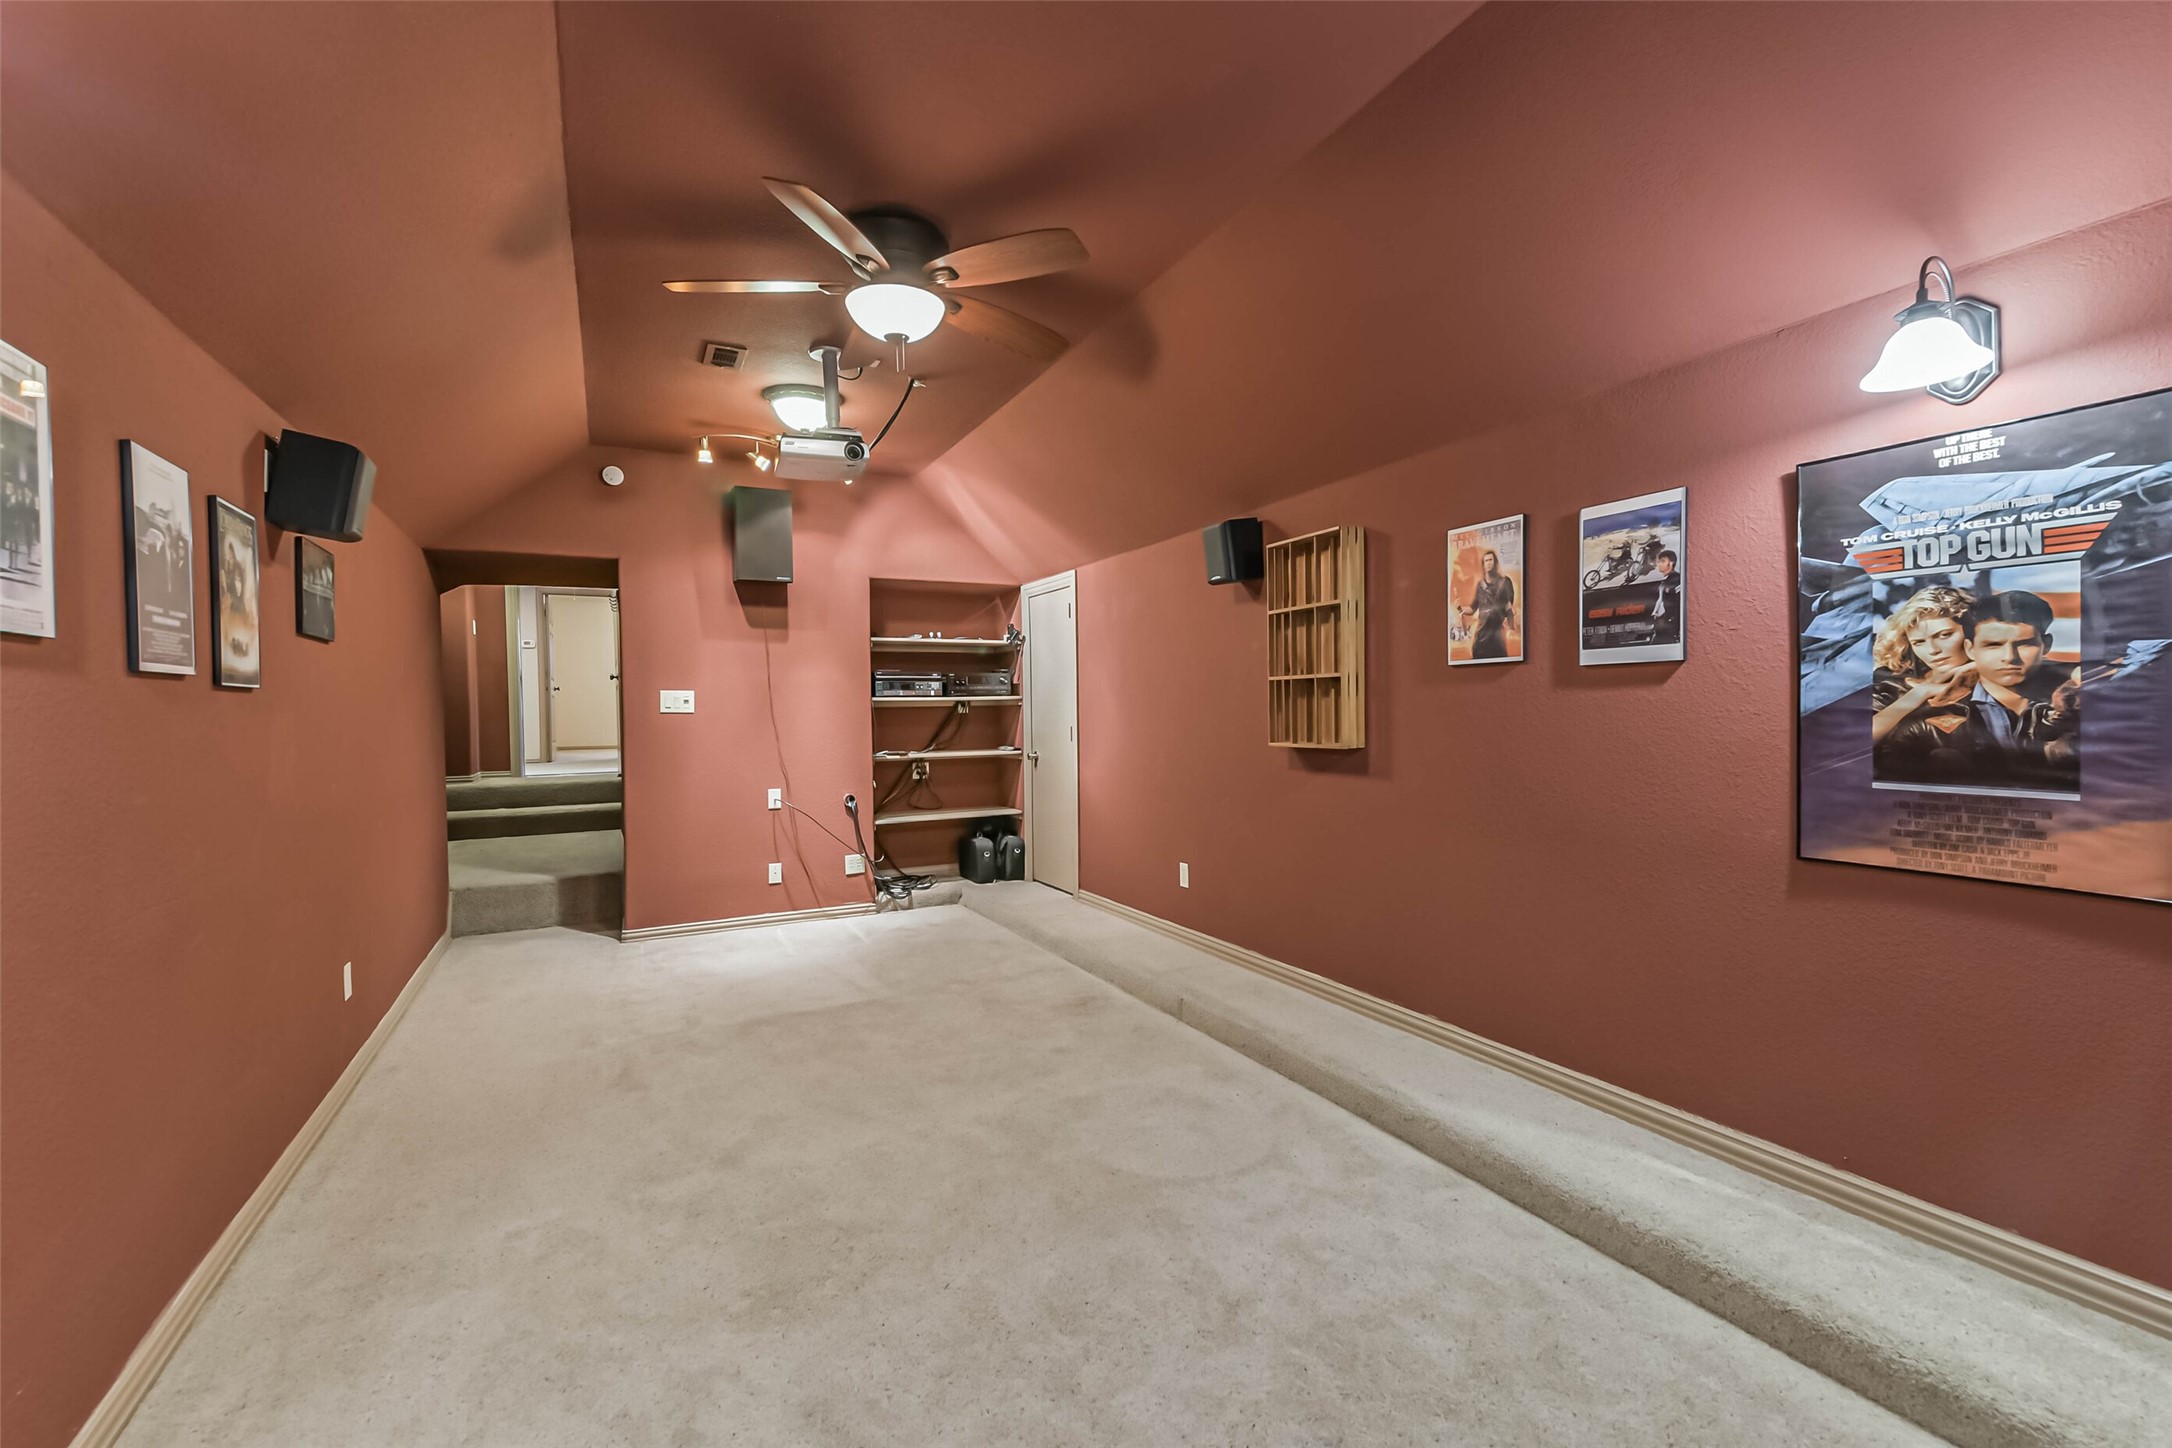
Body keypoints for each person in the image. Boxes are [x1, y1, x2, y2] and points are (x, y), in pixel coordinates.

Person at [1869, 585, 1977, 761]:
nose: (1933, 650)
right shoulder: (1889, 683)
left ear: (1972, 632)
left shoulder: (1997, 680)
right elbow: (1855, 745)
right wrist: (1919, 693)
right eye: (1919, 642)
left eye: (1944, 635)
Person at [1459, 548, 1517, 659]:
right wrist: (1460, 608)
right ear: (1483, 565)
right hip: (1481, 637)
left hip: (1496, 635)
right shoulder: (1480, 585)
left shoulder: (1504, 582)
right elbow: (1472, 609)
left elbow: (1508, 608)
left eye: (1490, 560)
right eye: (1486, 561)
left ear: (1495, 562)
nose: (1488, 563)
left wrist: (1512, 628)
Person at [1647, 548, 1681, 643]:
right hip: (1660, 624)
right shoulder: (1664, 581)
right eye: (1658, 561)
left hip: (1670, 625)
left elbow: (1678, 604)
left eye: (1663, 561)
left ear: (1671, 563)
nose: (1659, 564)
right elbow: (1660, 600)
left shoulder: (1677, 580)